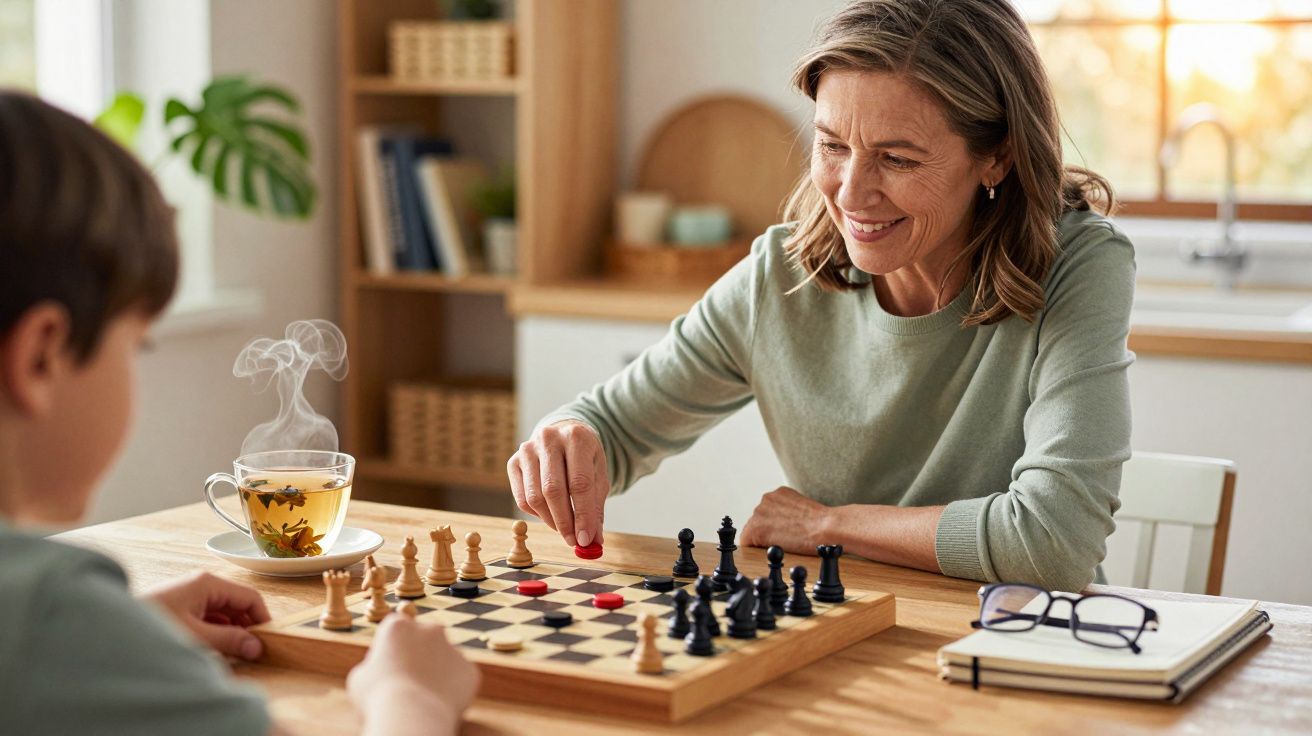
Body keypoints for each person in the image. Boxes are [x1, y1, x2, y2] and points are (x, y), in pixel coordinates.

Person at [507, 0, 1135, 593]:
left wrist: (828, 526)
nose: (852, 194)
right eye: (833, 145)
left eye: (897, 158)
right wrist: (565, 441)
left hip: (1018, 645)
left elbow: (1054, 542)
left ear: (995, 158)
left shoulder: (1077, 265)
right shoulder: (778, 280)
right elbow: (612, 430)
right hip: (845, 637)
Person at [0, 91, 478, 735]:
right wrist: (410, 697)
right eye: (137, 344)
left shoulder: (48, 632)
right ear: (41, 358)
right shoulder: (45, 613)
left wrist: (121, 641)